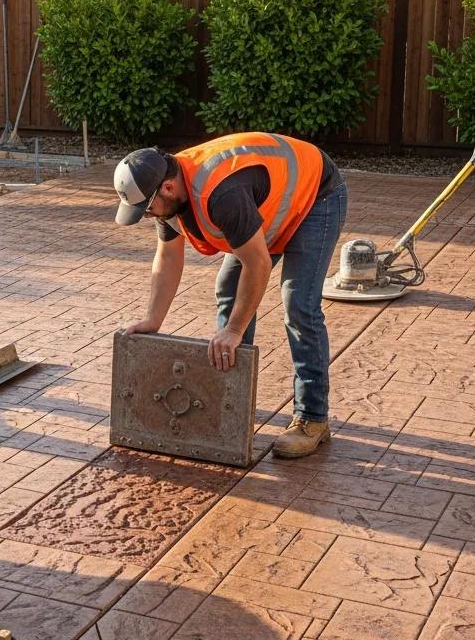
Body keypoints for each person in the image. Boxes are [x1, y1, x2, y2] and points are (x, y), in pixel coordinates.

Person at [113, 132, 348, 458]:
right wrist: (153, 320)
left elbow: (258, 263)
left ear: (167, 188)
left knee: (299, 304)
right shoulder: (169, 195)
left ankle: (312, 419)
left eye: (147, 208)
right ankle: (230, 405)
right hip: (271, 201)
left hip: (316, 197)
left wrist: (235, 329)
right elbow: (167, 257)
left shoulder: (220, 193)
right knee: (228, 287)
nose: (147, 216)